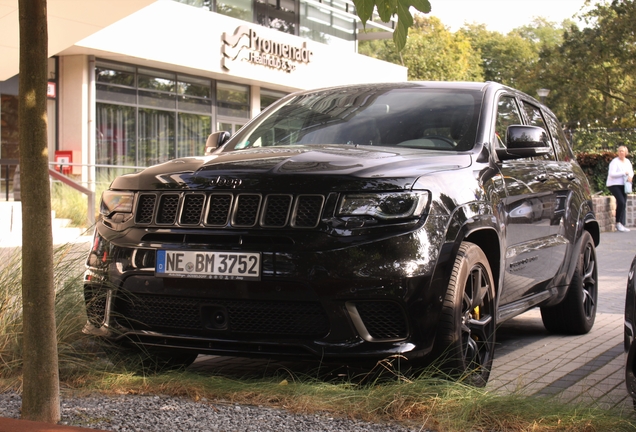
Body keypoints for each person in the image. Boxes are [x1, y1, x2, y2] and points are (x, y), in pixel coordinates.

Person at [606, 145, 634, 232]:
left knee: (623, 203)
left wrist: (630, 176)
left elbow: (631, 171)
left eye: (623, 151)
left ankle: (621, 224)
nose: (621, 152)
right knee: (621, 201)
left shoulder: (627, 162)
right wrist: (623, 173)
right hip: (614, 185)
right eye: (620, 151)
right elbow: (611, 174)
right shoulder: (614, 162)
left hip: (624, 185)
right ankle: (618, 223)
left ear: (626, 153)